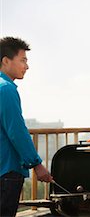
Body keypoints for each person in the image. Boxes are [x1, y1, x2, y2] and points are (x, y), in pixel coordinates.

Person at [0, 37, 53, 217]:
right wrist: (36, 164)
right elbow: (16, 131)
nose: (27, 66)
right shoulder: (6, 89)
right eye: (23, 60)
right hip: (7, 170)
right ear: (6, 61)